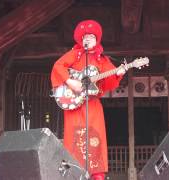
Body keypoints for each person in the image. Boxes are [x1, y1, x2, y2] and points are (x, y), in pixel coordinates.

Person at [50, 20, 126, 180]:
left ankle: (96, 175)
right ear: (81, 39)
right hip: (74, 105)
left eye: (91, 36)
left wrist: (120, 72)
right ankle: (73, 174)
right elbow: (58, 66)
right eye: (85, 36)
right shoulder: (75, 54)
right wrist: (71, 82)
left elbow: (109, 81)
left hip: (92, 106)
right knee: (73, 138)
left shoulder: (102, 60)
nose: (88, 39)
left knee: (95, 137)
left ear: (97, 39)